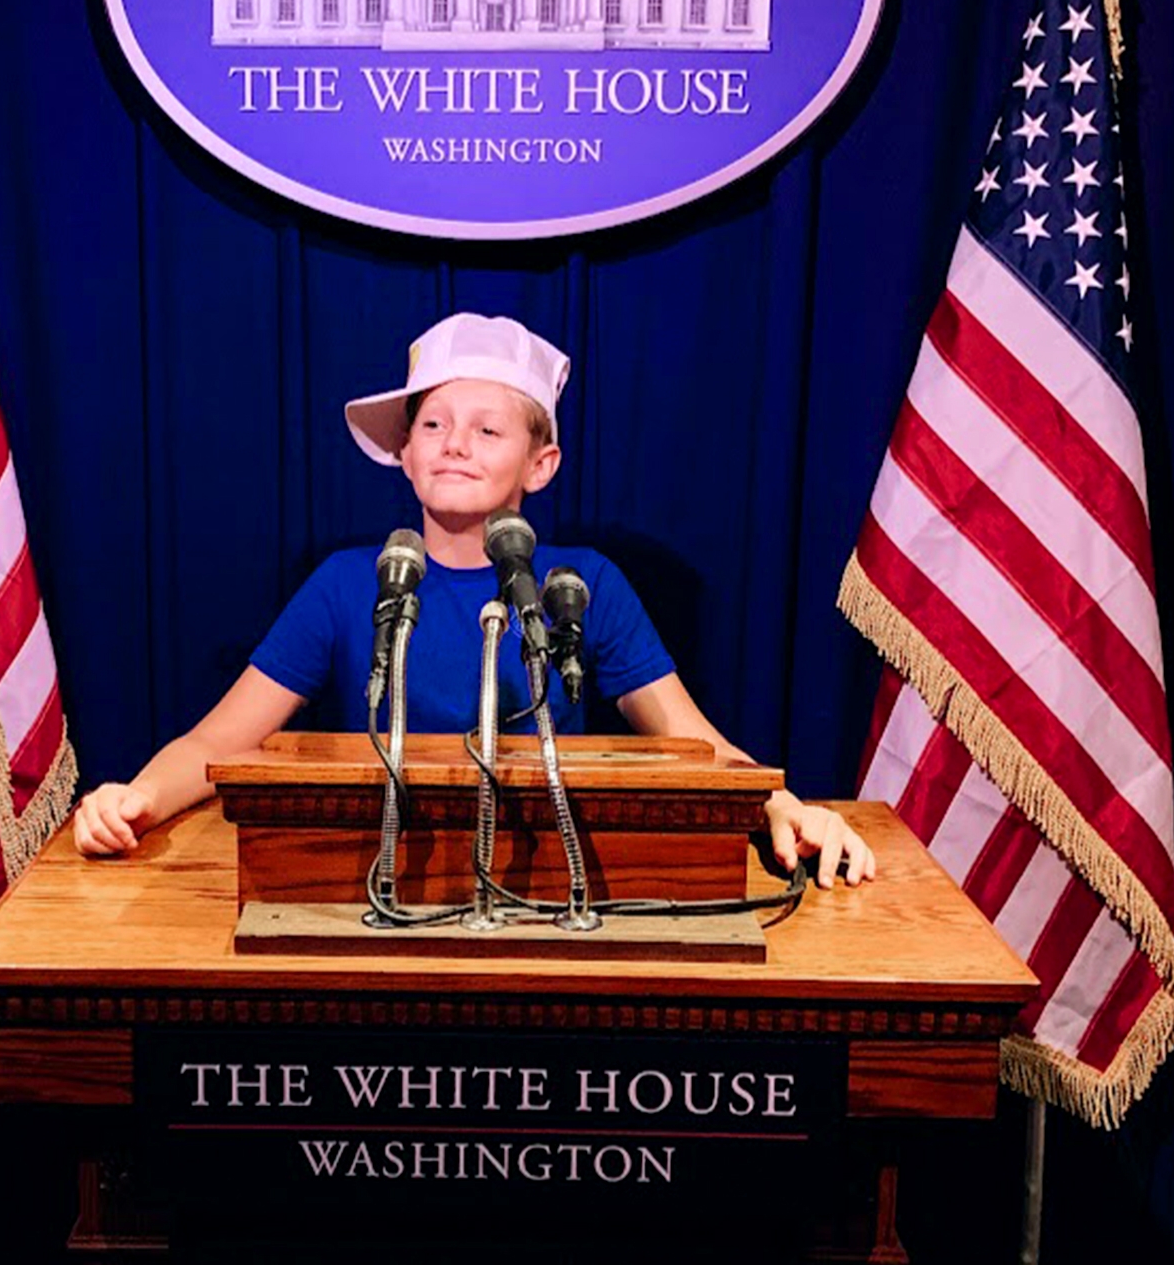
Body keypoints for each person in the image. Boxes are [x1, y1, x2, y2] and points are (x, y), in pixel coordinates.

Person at [69, 313, 874, 886]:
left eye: (488, 431)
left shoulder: (583, 585)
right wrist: (132, 798)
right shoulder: (349, 583)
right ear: (406, 455)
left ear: (541, 465)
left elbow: (694, 748)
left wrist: (786, 806)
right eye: (434, 426)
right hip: (370, 885)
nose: (455, 443)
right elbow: (217, 742)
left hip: (552, 887)